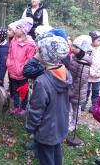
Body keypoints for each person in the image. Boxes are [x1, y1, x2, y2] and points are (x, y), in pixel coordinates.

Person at [25, 36, 72, 165]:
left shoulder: (42, 81)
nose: (37, 53)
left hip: (45, 130)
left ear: (45, 55)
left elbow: (36, 110)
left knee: (45, 157)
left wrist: (31, 128)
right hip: (60, 124)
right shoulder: (66, 73)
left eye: (39, 51)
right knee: (56, 151)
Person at [6, 18, 36, 116]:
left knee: (23, 91)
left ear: (23, 30)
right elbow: (10, 53)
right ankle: (15, 106)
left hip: (23, 73)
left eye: (18, 28)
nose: (15, 30)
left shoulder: (30, 44)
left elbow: (29, 59)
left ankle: (23, 107)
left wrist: (22, 69)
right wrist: (9, 64)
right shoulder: (14, 40)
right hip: (12, 70)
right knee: (14, 90)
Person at [68, 35, 92, 132]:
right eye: (73, 45)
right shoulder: (74, 57)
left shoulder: (83, 63)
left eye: (76, 47)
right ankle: (68, 120)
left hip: (77, 91)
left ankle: (74, 123)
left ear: (82, 49)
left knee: (76, 108)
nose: (72, 48)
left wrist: (72, 91)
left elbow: (80, 80)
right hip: (70, 87)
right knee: (69, 106)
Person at [82, 31, 100, 112]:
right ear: (92, 40)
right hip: (88, 75)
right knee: (86, 90)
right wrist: (92, 72)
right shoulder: (87, 50)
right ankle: (83, 103)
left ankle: (94, 105)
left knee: (96, 91)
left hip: (98, 76)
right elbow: (86, 62)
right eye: (98, 40)